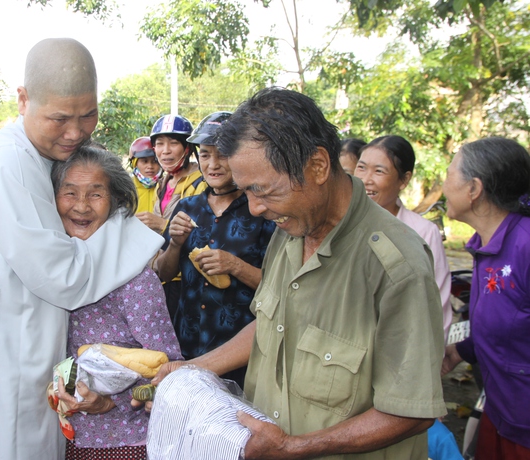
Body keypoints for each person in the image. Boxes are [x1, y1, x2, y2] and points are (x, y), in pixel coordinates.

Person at [152, 88, 446, 459]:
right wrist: (191, 370)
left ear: (318, 166)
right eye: (246, 191)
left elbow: (409, 411)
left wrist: (295, 448)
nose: (255, 208)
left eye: (262, 191)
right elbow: (270, 323)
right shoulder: (291, 230)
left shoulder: (395, 265)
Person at [0, 38, 163, 460]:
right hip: (0, 349)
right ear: (22, 99)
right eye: (59, 118)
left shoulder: (42, 154)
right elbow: (63, 276)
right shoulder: (7, 162)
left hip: (29, 345)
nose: (75, 133)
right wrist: (130, 232)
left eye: (88, 115)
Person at [50, 146, 183, 459]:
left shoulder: (135, 281)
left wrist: (110, 403)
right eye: (69, 193)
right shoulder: (50, 271)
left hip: (123, 443)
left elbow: (169, 370)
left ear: (116, 202)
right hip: (67, 438)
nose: (80, 206)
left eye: (95, 194)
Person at [154, 111, 275, 387]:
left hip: (239, 351)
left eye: (222, 155)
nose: (213, 164)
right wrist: (175, 244)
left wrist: (235, 266)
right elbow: (163, 271)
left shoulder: (261, 210)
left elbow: (278, 288)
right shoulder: (188, 207)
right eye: (205, 155)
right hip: (188, 340)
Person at [441, 137, 530, 457]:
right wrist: (461, 350)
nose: (443, 183)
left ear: (474, 189)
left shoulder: (525, 246)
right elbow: (507, 324)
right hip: (502, 409)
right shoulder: (484, 245)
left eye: (449, 174)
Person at [354, 135, 452, 341]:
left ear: (404, 180)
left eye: (379, 171)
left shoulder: (423, 232)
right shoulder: (340, 226)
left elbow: (438, 303)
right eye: (361, 168)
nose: (366, 179)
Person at [136, 114, 207, 234]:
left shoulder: (202, 183)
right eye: (160, 144)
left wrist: (162, 224)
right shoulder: (161, 185)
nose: (166, 151)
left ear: (187, 148)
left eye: (174, 143)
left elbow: (205, 233)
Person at [128, 137, 162, 214]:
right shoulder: (126, 189)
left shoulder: (167, 187)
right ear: (134, 163)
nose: (150, 166)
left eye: (155, 161)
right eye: (144, 161)